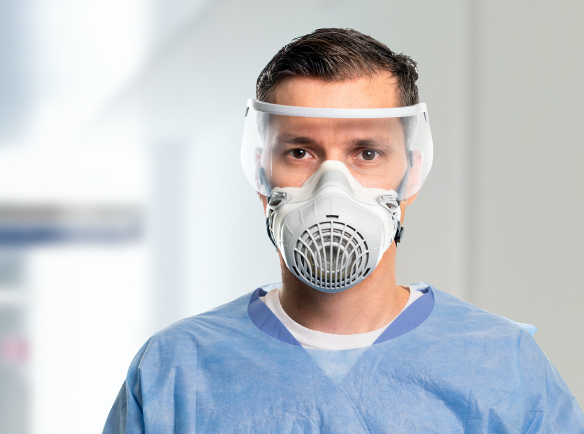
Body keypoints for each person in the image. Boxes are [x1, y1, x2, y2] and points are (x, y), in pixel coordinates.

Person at [103, 28, 584, 433]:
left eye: (367, 153)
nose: (332, 186)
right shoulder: (174, 371)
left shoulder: (502, 366)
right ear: (261, 174)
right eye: (299, 152)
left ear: (410, 173)